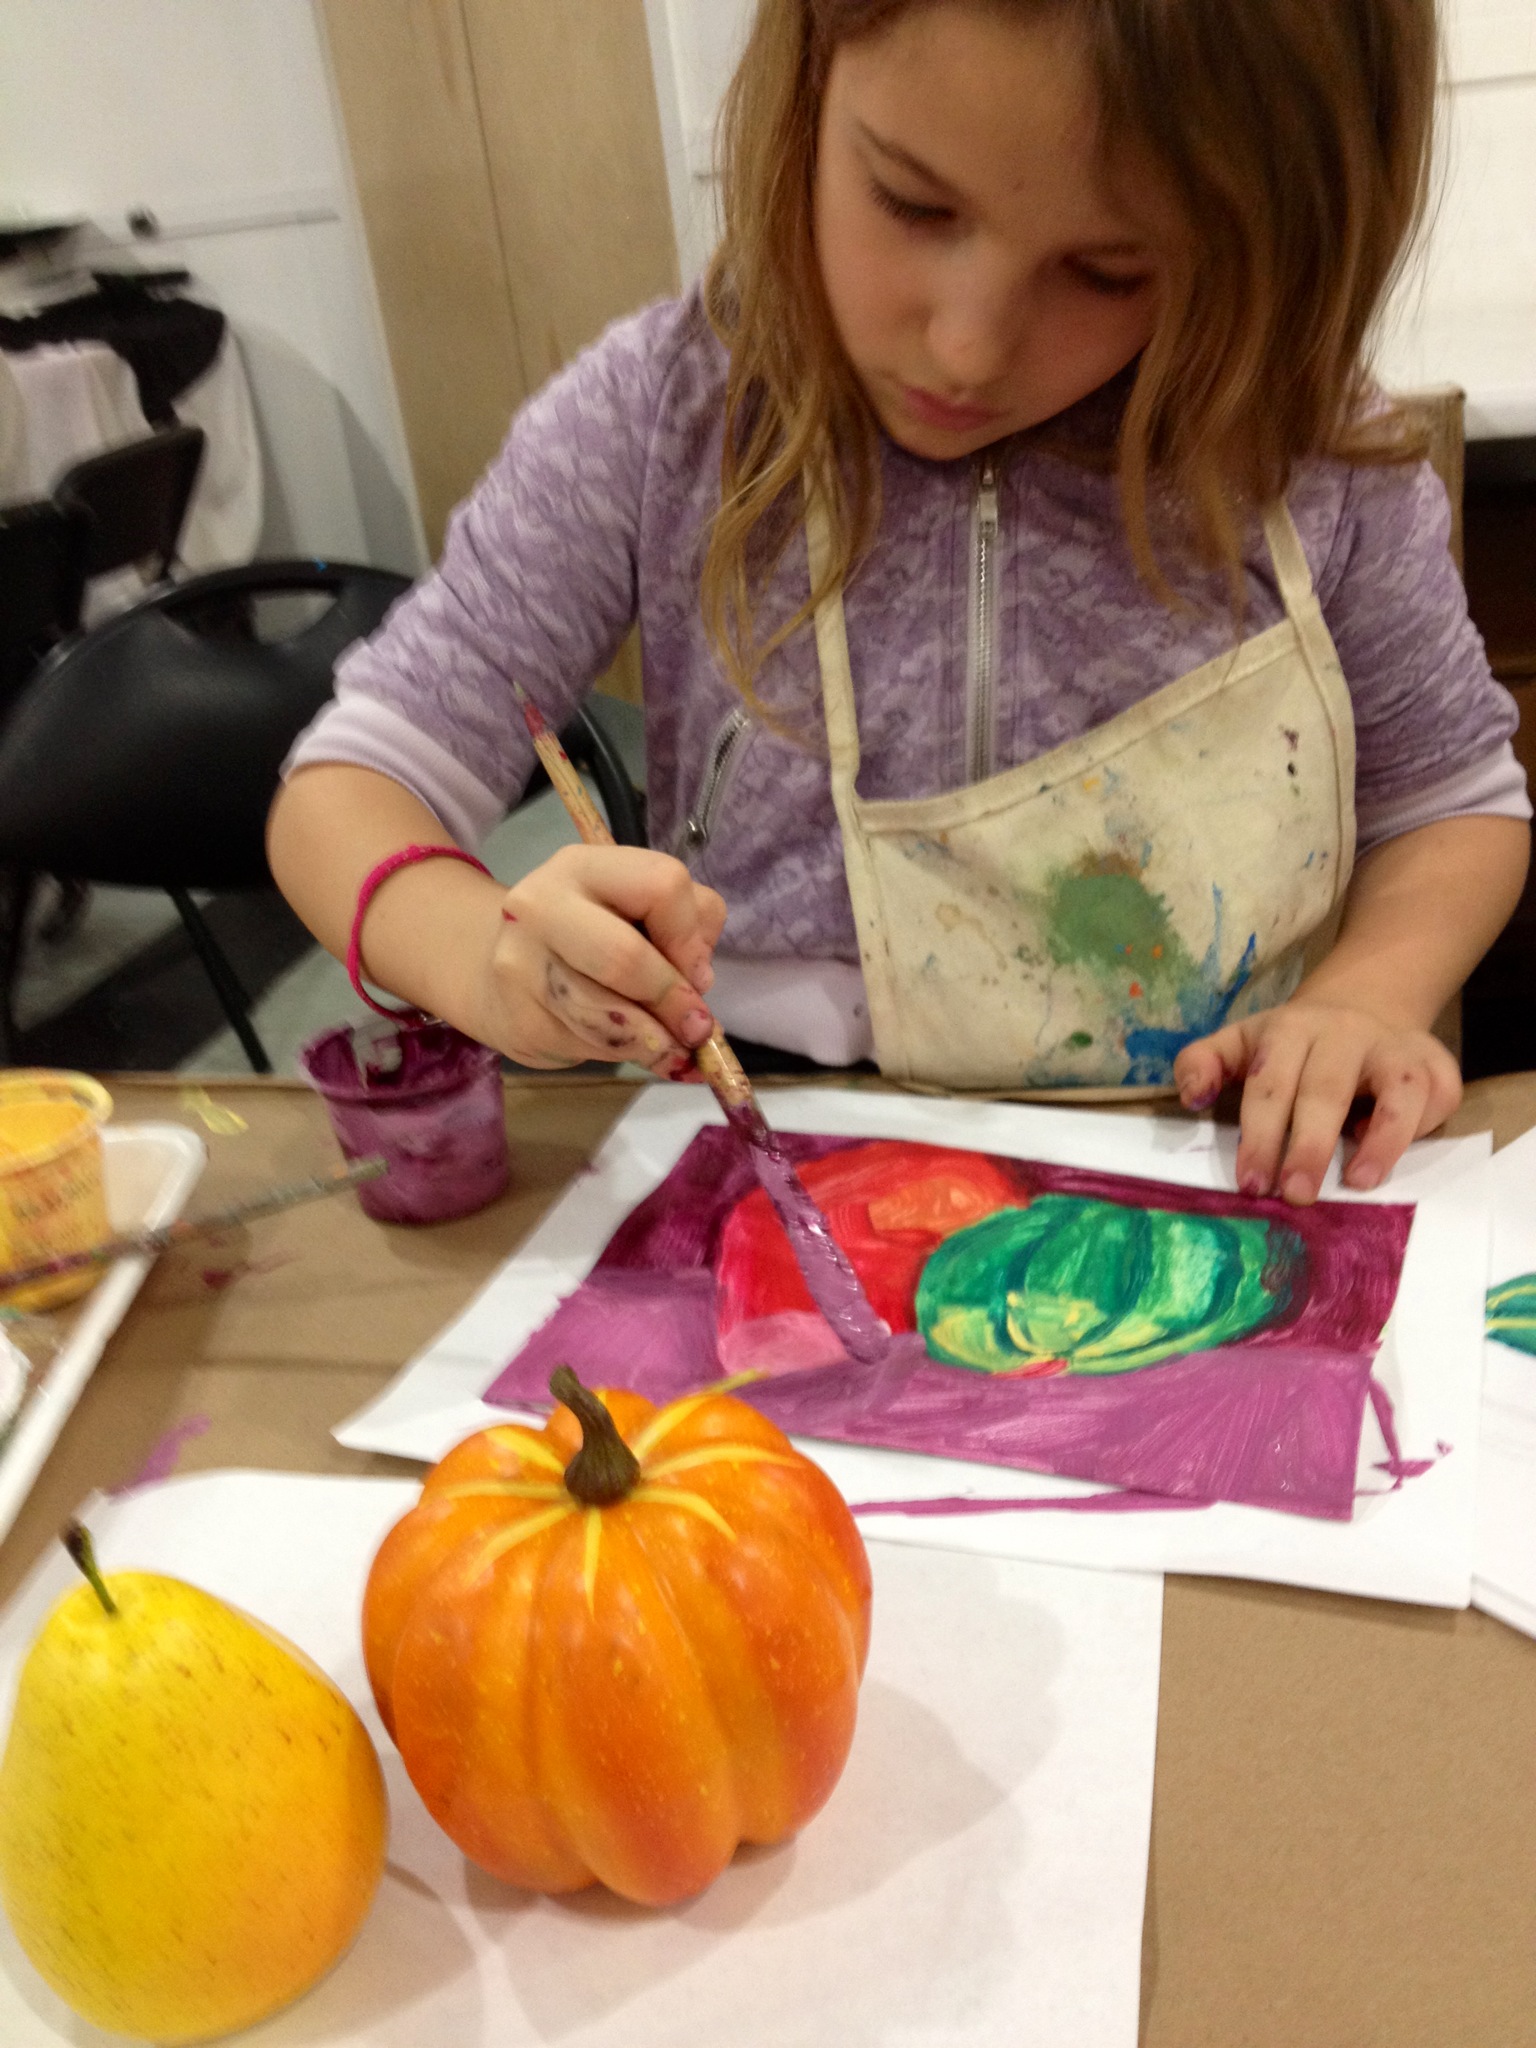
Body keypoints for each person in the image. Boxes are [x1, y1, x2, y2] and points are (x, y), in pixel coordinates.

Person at [268, 0, 1528, 1207]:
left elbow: (1454, 806)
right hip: (757, 1142)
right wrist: (483, 958)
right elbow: (349, 788)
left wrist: (1368, 993)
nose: (967, 347)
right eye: (914, 204)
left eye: (1105, 271)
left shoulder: (1307, 455)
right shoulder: (666, 415)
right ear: (808, 86)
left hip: (1202, 1151)